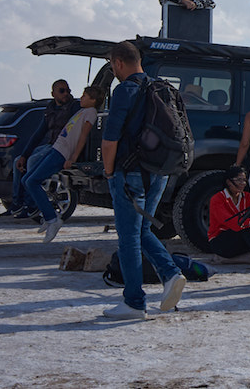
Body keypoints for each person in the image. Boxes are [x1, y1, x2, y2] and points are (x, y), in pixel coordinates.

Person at [100, 40, 186, 319]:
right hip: (158, 172)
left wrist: (110, 171)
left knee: (128, 238)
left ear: (118, 63)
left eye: (112, 65)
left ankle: (134, 302)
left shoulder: (124, 90)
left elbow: (110, 139)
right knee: (141, 231)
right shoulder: (159, 88)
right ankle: (171, 274)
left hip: (130, 174)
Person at [24, 85, 104, 242]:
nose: (80, 98)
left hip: (62, 153)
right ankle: (49, 217)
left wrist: (73, 157)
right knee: (26, 180)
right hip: (56, 148)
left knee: (33, 182)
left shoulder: (91, 112)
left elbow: (83, 136)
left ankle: (53, 219)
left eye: (84, 96)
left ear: (93, 100)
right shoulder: (82, 110)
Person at [8, 79, 81, 217]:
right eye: (62, 91)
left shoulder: (74, 107)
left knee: (33, 161)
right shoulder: (51, 109)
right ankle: (17, 203)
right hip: (50, 144)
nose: (66, 93)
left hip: (62, 146)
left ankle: (32, 204)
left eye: (68, 90)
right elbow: (38, 134)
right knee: (19, 161)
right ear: (53, 93)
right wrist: (24, 154)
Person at [207, 165, 250, 269]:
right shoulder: (217, 199)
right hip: (221, 241)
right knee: (244, 228)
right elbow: (229, 221)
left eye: (244, 180)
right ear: (229, 182)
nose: (243, 183)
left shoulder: (247, 196)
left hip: (242, 236)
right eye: (239, 180)